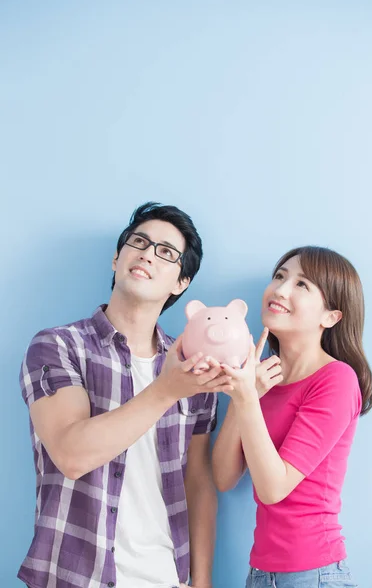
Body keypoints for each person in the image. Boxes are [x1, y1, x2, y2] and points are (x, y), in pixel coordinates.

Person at [19, 202, 229, 588]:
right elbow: (71, 454)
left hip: (167, 577)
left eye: (166, 252)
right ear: (117, 259)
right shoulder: (59, 347)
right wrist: (165, 391)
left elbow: (198, 481)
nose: (148, 253)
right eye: (139, 242)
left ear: (180, 283)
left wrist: (201, 582)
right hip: (75, 577)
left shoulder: (193, 369)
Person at [212, 246, 372, 588]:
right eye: (280, 276)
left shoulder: (337, 380)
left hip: (313, 573)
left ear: (330, 316)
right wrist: (247, 393)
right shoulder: (261, 380)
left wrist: (246, 400)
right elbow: (224, 478)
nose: (281, 290)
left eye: (302, 285)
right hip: (260, 572)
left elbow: (273, 488)